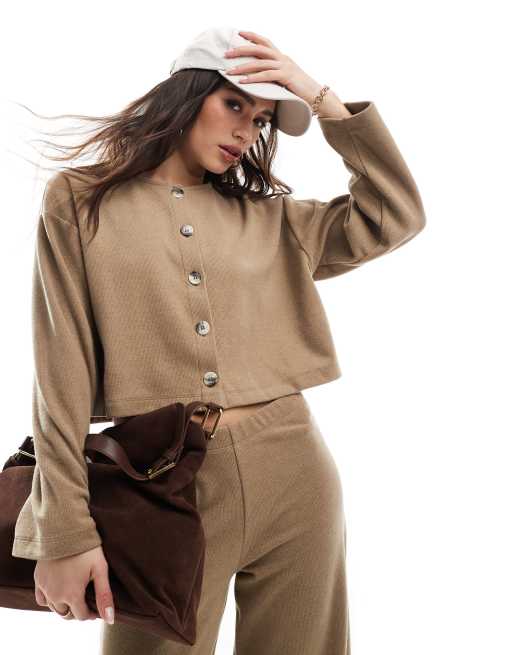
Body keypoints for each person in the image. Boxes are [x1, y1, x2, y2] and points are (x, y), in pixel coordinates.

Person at [11, 26, 426, 654]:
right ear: (187, 93)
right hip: (159, 484)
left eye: (260, 120)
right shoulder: (80, 203)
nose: (245, 132)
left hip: (296, 474)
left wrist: (319, 98)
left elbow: (394, 214)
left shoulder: (272, 220)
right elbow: (59, 375)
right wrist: (63, 531)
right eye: (234, 104)